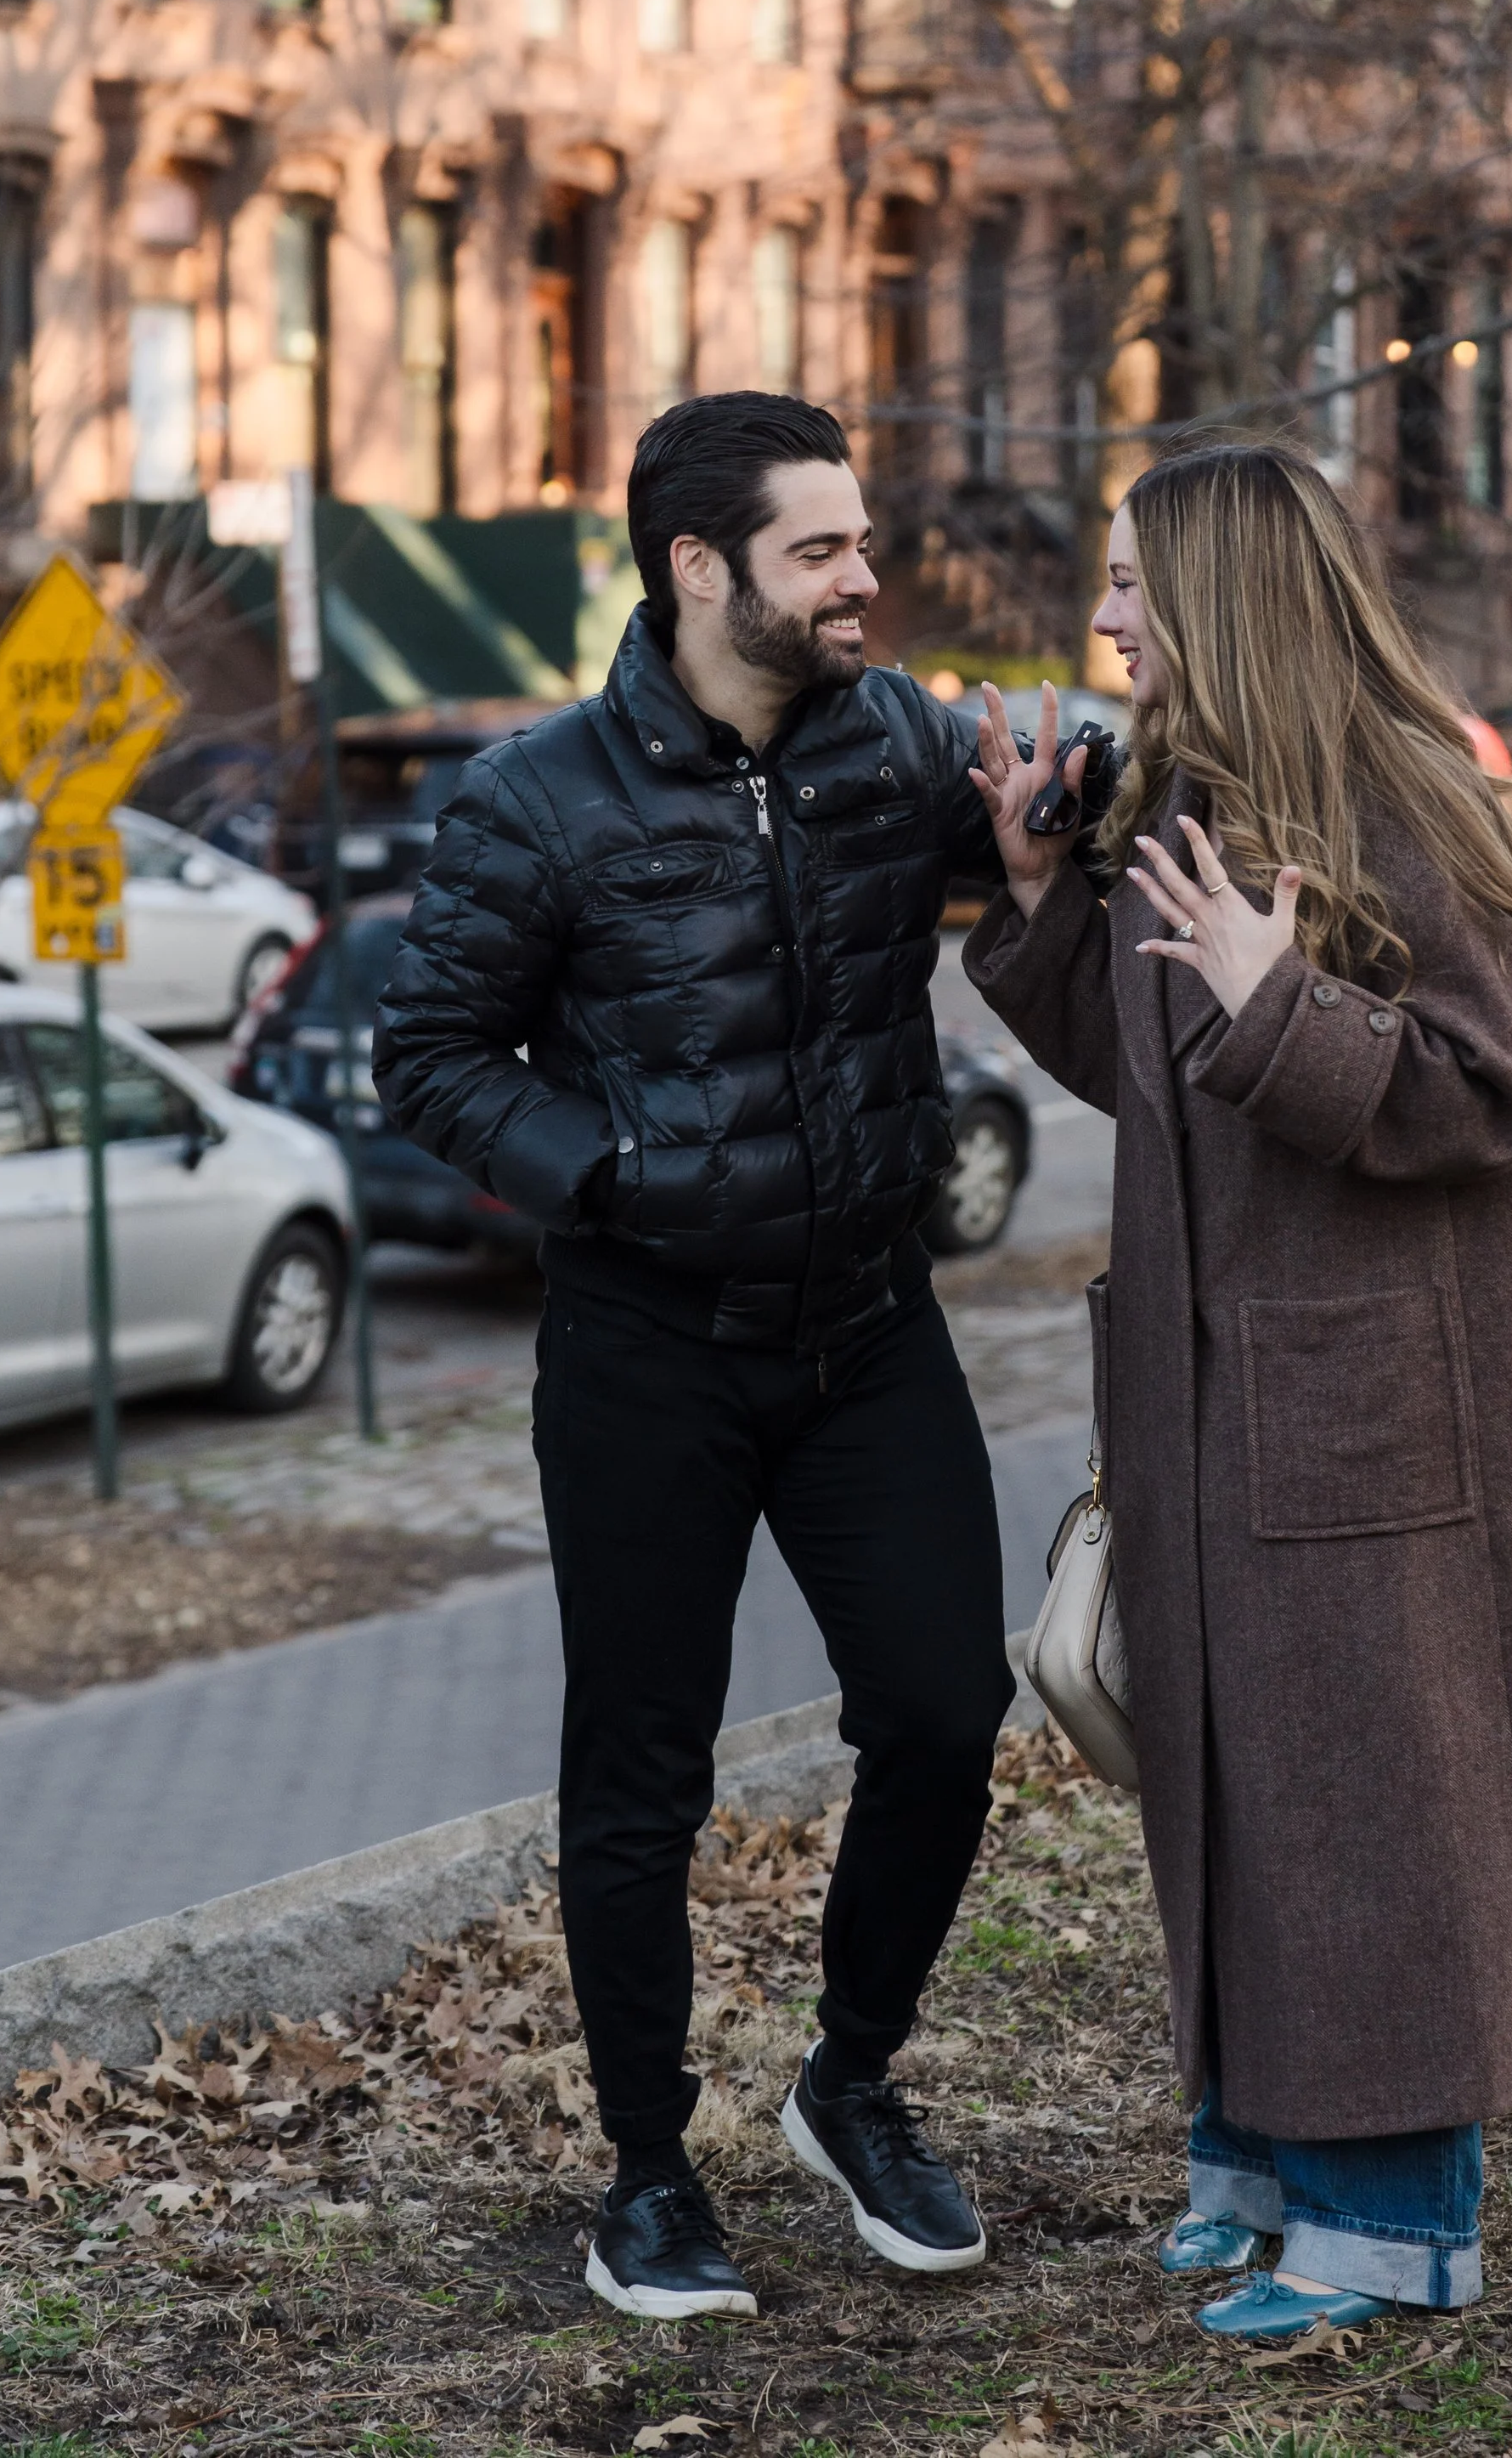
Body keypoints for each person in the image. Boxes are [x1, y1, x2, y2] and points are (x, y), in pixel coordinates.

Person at [377, 392, 1102, 2321]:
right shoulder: (536, 796)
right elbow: (427, 1054)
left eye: (859, 541)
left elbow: (1062, 807)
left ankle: (848, 2079)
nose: (865, 575)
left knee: (946, 1711)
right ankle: (643, 2170)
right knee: (640, 1778)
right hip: (647, 1351)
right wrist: (604, 1170)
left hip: (868, 1326)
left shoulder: (898, 751)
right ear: (702, 569)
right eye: (820, 549)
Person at [965, 442, 1512, 2343]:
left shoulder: (1394, 801)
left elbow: (1480, 1097)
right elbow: (1153, 1077)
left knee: (1369, 1803)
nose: (1104, 615)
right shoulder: (1187, 799)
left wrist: (1278, 994)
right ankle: (1254, 2155)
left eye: (1134, 582)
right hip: (1202, 1399)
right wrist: (1039, 893)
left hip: (1373, 1411)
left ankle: (1392, 2216)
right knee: (1228, 1782)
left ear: (1225, 594)